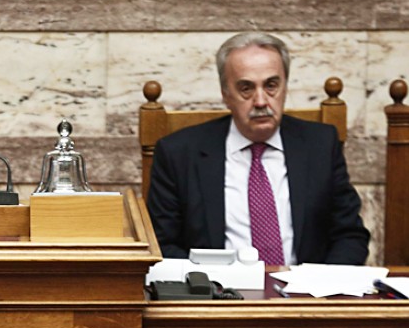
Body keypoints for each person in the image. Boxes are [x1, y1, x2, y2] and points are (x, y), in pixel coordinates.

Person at [147, 32, 370, 265]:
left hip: (306, 294)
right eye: (246, 88)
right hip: (217, 294)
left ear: (285, 87)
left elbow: (349, 235)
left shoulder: (321, 145)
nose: (261, 101)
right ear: (225, 94)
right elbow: (161, 244)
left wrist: (321, 289)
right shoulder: (178, 153)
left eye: (271, 85)